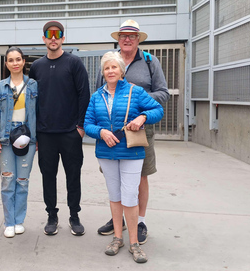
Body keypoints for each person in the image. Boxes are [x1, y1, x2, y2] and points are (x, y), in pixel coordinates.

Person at [85, 51, 163, 263]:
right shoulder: (96, 96)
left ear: (122, 70)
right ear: (103, 72)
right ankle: (117, 238)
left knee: (129, 196)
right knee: (115, 196)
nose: (110, 71)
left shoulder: (135, 92)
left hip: (131, 152)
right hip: (106, 152)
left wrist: (142, 117)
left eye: (114, 67)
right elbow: (88, 124)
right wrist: (100, 132)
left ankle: (134, 243)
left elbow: (158, 109)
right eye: (107, 68)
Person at [96, 20, 170, 244]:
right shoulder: (110, 61)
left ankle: (139, 221)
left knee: (140, 177)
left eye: (132, 36)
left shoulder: (149, 62)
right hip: (112, 132)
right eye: (123, 36)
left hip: (140, 130)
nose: (127, 39)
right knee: (115, 178)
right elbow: (101, 93)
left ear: (138, 40)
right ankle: (118, 219)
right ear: (118, 39)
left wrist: (138, 103)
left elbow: (163, 93)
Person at [29, 21, 90, 236]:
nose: (53, 38)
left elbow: (84, 94)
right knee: (48, 176)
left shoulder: (74, 63)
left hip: (69, 133)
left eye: (57, 34)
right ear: (43, 38)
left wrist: (80, 127)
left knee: (73, 176)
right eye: (49, 34)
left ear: (63, 38)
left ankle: (74, 215)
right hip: (45, 134)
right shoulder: (36, 67)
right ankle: (52, 216)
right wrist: (34, 132)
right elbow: (32, 101)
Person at [0, 47, 38, 238]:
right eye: (11, 60)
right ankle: (9, 222)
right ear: (6, 63)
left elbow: (39, 113)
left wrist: (38, 138)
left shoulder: (33, 85)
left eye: (18, 59)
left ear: (24, 62)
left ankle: (19, 220)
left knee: (22, 181)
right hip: (6, 137)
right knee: (8, 180)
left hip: (28, 136)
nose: (15, 63)